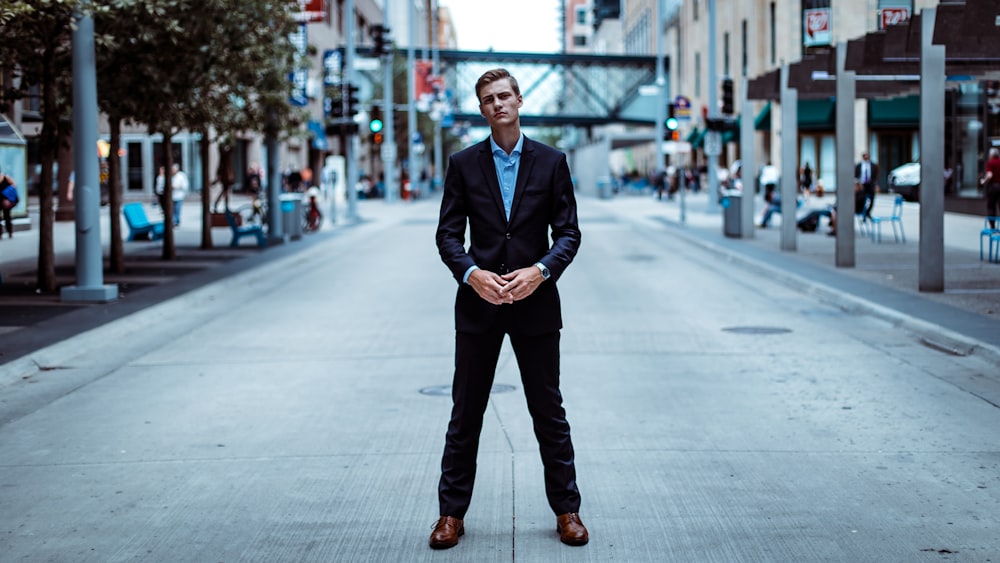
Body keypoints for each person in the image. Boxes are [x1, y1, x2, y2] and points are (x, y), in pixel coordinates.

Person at [432, 68, 587, 550]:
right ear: (482, 109)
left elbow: (569, 234)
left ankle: (567, 510)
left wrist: (539, 271)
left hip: (535, 304)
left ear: (519, 100)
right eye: (488, 99)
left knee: (548, 412)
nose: (498, 104)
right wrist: (470, 274)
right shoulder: (463, 164)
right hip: (478, 306)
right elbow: (447, 235)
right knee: (466, 414)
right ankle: (450, 516)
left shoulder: (551, 161)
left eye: (504, 95)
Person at [854, 151, 879, 221]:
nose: (866, 157)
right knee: (862, 199)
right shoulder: (859, 165)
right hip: (862, 185)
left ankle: (868, 212)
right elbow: (855, 175)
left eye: (867, 156)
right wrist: (858, 184)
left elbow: (876, 176)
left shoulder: (873, 165)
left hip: (870, 184)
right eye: (865, 156)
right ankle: (863, 213)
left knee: (872, 199)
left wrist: (876, 185)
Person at [983, 148, 1000, 228]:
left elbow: (989, 175)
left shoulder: (990, 163)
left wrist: (984, 181)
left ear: (991, 155)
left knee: (991, 206)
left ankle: (992, 225)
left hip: (993, 187)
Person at [1, 167, 19, 238]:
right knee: (7, 216)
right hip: (6, 201)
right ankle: (9, 232)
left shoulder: (6, 178)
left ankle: (8, 232)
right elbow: (14, 185)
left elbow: (13, 185)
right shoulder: (6, 178)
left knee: (7, 217)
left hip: (6, 201)